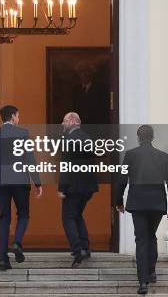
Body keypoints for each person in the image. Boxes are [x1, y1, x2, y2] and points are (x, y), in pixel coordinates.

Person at [115, 125, 168, 295]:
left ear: (138, 137)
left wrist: (118, 201)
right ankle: (151, 271)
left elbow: (121, 180)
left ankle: (143, 282)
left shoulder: (131, 155)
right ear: (152, 137)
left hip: (138, 203)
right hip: (157, 203)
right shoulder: (162, 156)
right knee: (151, 236)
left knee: (141, 239)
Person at [0, 105, 42, 271]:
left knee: (4, 219)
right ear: (13, 116)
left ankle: (3, 260)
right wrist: (37, 182)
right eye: (18, 115)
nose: (18, 118)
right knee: (23, 214)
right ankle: (16, 242)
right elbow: (30, 159)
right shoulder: (22, 134)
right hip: (20, 181)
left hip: (1, 184)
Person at [58, 112, 98, 268]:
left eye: (64, 121)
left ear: (73, 121)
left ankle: (78, 249)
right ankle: (85, 247)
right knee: (77, 215)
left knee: (67, 217)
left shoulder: (69, 139)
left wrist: (62, 188)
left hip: (73, 187)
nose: (62, 124)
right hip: (88, 186)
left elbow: (66, 166)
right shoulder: (87, 138)